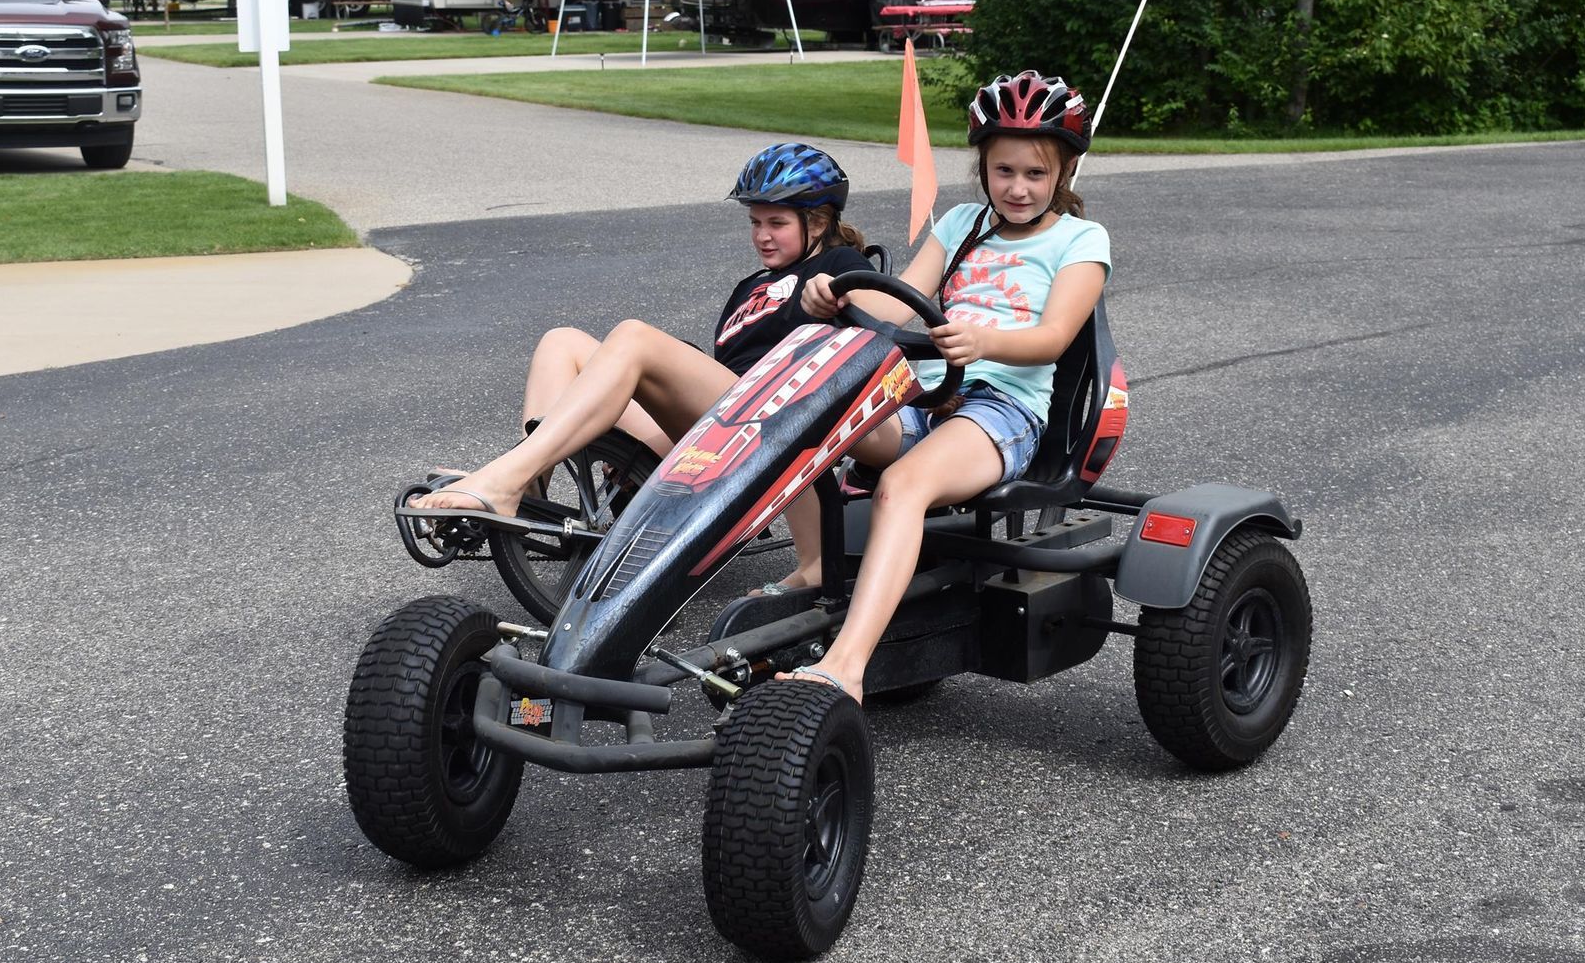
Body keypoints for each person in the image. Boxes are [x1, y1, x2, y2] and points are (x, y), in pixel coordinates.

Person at [778, 70, 1112, 702]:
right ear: (982, 166)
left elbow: (1055, 338)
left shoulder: (1080, 240)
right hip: (924, 394)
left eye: (1035, 174)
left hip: (1001, 408)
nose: (1017, 188)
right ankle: (810, 573)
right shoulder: (960, 223)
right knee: (808, 423)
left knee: (902, 487)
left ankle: (845, 665)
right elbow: (897, 307)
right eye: (1004, 170)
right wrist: (832, 293)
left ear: (1064, 173)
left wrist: (983, 341)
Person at [412, 142, 880, 592]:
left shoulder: (841, 264)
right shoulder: (754, 284)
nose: (761, 235)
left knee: (635, 338)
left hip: (764, 417)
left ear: (818, 222)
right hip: (712, 423)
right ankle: (527, 495)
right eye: (755, 221)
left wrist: (836, 288)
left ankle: (501, 479)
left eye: (776, 222)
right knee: (562, 342)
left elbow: (883, 312)